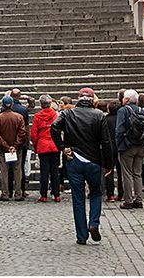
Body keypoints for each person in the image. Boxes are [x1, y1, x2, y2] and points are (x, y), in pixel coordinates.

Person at [50, 87, 113, 246]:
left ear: (78, 98)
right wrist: (108, 164)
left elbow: (54, 127)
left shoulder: (67, 113)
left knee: (78, 198)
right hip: (94, 160)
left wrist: (62, 147)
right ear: (92, 100)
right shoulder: (99, 115)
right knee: (96, 193)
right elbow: (106, 142)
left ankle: (81, 235)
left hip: (74, 159)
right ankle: (94, 223)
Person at [116, 88, 144, 209]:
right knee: (137, 174)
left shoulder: (123, 111)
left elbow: (119, 130)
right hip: (140, 145)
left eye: (124, 98)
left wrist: (119, 145)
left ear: (127, 100)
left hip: (127, 146)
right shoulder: (142, 110)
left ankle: (128, 200)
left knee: (127, 174)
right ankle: (138, 199)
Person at [0, 95, 26, 200]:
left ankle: (5, 193)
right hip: (17, 149)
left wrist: (6, 147)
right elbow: (22, 133)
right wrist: (15, 146)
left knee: (4, 171)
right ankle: (18, 193)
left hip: (3, 149)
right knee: (17, 171)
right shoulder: (19, 117)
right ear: (12, 104)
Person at [30, 94, 61, 202]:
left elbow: (33, 134)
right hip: (54, 145)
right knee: (55, 171)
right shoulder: (56, 115)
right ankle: (56, 194)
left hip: (43, 145)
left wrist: (35, 145)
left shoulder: (38, 116)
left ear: (41, 104)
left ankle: (43, 194)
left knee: (44, 171)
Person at [9, 88, 30, 197]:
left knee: (8, 167)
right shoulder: (23, 110)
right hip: (20, 142)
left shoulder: (5, 109)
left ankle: (8, 190)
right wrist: (27, 140)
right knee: (20, 166)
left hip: (7, 142)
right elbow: (26, 128)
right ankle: (21, 189)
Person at [103, 99, 122, 201]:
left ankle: (110, 194)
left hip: (109, 148)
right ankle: (121, 193)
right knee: (121, 172)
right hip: (120, 147)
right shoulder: (121, 118)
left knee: (109, 170)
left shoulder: (106, 119)